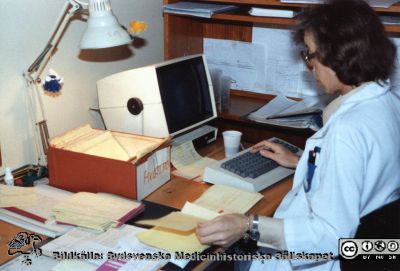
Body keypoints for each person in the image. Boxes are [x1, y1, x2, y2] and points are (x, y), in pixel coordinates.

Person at [196, 0, 400, 270]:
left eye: (310, 55)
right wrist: (302, 161)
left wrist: (248, 225)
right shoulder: (389, 102)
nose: (309, 66)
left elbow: (329, 238)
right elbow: (363, 170)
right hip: (367, 249)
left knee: (212, 260)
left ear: (338, 57)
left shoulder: (347, 131)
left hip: (317, 259)